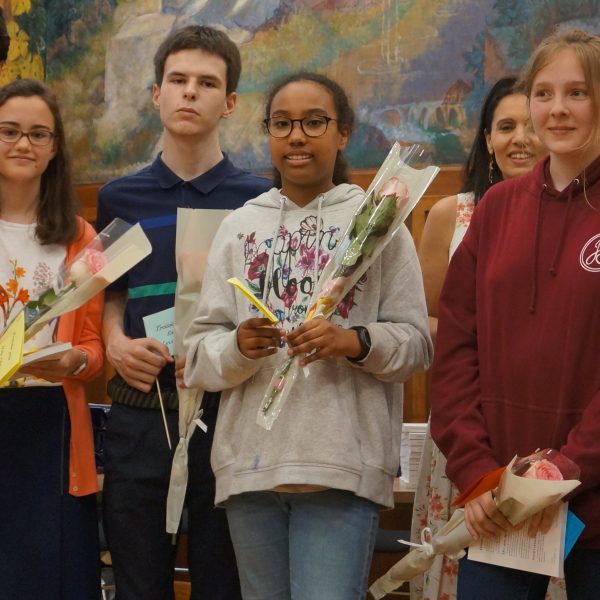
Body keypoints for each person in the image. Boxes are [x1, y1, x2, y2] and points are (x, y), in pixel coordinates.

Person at [181, 71, 432, 600]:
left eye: (314, 122)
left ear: (342, 133)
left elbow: (416, 344)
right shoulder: (239, 227)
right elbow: (199, 357)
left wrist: (353, 341)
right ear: (268, 134)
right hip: (250, 472)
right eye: (282, 123)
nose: (297, 136)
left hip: (341, 469)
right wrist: (238, 347)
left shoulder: (380, 222)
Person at [95, 25, 270, 600]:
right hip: (140, 416)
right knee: (140, 583)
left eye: (206, 83)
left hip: (228, 415)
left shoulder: (257, 200)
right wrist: (115, 343)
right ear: (156, 94)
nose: (190, 93)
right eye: (178, 80)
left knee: (225, 584)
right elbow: (109, 292)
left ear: (231, 102)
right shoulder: (121, 197)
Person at [430, 28, 600, 600]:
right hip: (498, 501)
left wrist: (562, 471)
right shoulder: (497, 209)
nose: (557, 109)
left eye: (577, 92)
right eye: (544, 92)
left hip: (595, 496)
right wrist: (478, 473)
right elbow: (455, 350)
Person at [411, 76, 547, 600]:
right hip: (467, 425)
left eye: (531, 127)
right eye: (506, 126)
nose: (520, 138)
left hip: (545, 425)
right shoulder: (453, 214)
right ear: (487, 139)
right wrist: (488, 346)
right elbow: (423, 321)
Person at [0, 79, 103, 599]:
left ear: (55, 147)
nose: (24, 144)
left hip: (50, 426)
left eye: (39, 134)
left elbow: (94, 350)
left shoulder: (81, 238)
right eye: (9, 131)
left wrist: (74, 361)